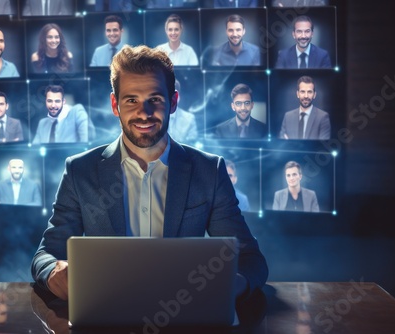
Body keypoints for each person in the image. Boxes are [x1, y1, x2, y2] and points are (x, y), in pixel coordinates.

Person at [31, 45, 268, 302]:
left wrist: (232, 285)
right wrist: (52, 270)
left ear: (173, 102)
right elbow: (46, 255)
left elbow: (249, 259)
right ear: (115, 104)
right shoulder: (80, 171)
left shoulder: (209, 171)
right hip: (105, 310)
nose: (144, 113)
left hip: (185, 313)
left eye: (154, 99)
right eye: (131, 100)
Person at [279, 75, 331, 140]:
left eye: (309, 92)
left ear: (314, 95)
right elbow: (282, 145)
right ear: (298, 94)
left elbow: (322, 147)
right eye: (302, 92)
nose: (306, 96)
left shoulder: (323, 117)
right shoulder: (288, 116)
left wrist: (291, 144)